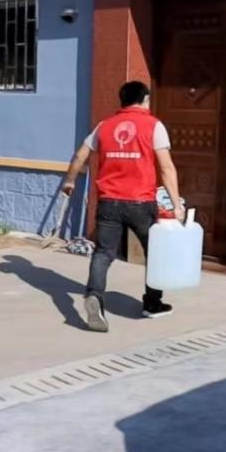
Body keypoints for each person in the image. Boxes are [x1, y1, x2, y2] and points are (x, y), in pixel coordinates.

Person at [61, 81, 184, 333]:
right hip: (141, 203)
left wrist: (70, 180)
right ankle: (152, 303)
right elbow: (166, 167)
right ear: (145, 99)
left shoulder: (104, 126)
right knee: (155, 253)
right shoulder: (154, 125)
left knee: (103, 253)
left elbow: (80, 155)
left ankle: (94, 295)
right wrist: (176, 205)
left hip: (109, 202)